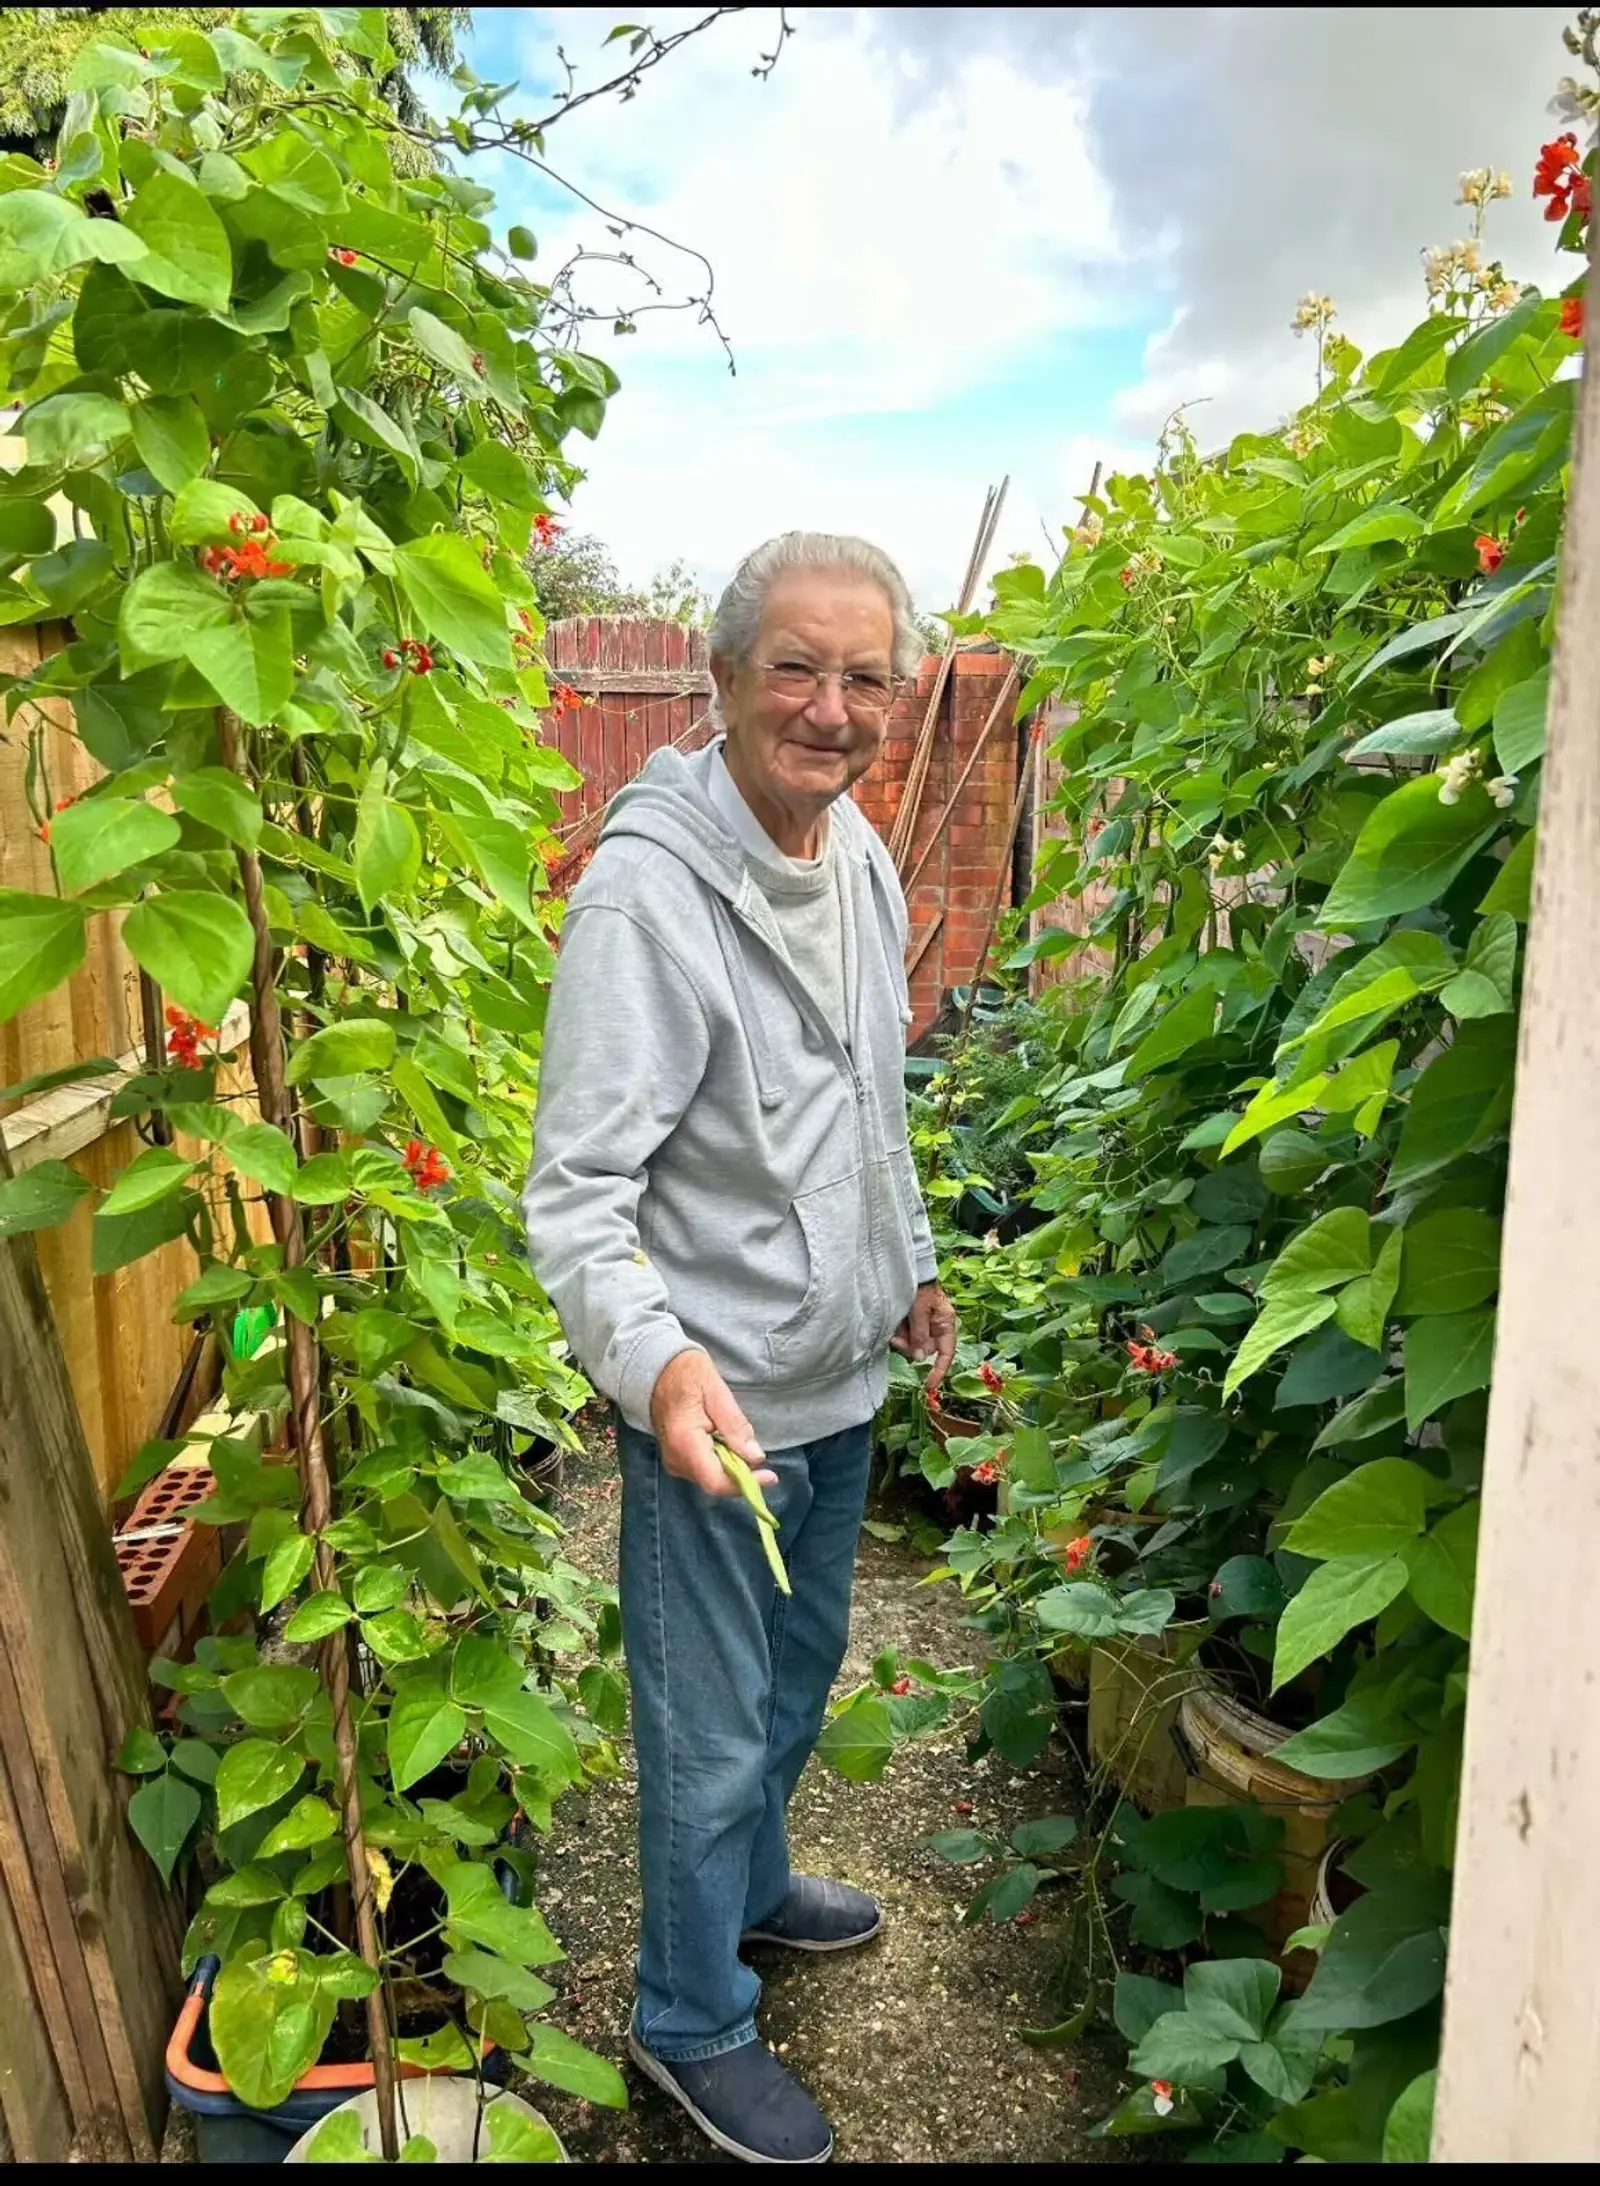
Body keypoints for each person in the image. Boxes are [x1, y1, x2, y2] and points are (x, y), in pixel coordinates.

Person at [523, 532, 957, 2164]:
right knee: (706, 1727)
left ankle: (757, 1889)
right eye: (796, 666)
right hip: (715, 1411)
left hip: (833, 1380)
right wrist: (658, 1370)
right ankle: (688, 2011)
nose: (830, 708)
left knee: (789, 1679)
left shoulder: (855, 853)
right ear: (718, 679)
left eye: (863, 677)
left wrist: (905, 1265)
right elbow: (575, 1197)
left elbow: (870, 1089)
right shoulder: (647, 896)